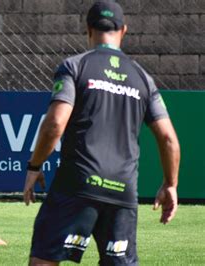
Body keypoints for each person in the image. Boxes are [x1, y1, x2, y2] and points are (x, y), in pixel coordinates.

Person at [23, 1, 181, 265]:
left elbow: (54, 125)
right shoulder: (142, 78)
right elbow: (169, 139)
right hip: (123, 190)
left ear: (88, 29)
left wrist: (34, 165)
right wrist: (170, 184)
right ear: (124, 30)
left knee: (44, 260)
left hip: (77, 184)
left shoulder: (75, 66)